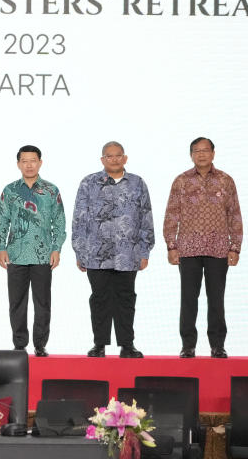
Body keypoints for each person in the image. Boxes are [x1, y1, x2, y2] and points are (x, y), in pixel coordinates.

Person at [72, 141, 154, 358]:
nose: (114, 159)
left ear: (125, 158)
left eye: (118, 155)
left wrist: (145, 250)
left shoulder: (137, 183)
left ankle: (127, 345)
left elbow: (146, 217)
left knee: (126, 298)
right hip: (95, 253)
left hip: (128, 254)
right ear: (102, 160)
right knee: (99, 299)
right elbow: (79, 219)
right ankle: (99, 344)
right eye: (109, 156)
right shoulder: (89, 183)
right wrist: (80, 251)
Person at [163, 137, 242, 359]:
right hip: (188, 248)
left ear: (213, 153)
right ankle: (188, 345)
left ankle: (218, 345)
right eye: (196, 151)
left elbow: (234, 214)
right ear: (191, 155)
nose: (201, 154)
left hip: (218, 248)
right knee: (188, 299)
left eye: (205, 150)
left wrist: (235, 247)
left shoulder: (226, 181)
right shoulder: (181, 181)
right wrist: (171, 245)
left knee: (216, 299)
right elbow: (172, 214)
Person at [0, 145, 66, 357]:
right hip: (15, 254)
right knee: (16, 302)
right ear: (18, 164)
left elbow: (59, 223)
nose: (29, 164)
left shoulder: (51, 190)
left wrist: (56, 248)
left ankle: (40, 344)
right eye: (24, 161)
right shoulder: (10, 190)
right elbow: (2, 221)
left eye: (33, 160)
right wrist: (1, 248)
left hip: (43, 255)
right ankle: (19, 344)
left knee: (42, 302)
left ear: (40, 162)